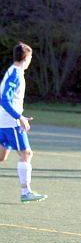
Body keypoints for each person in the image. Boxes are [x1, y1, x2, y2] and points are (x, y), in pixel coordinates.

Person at [0, 42, 46, 202]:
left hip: (4, 120)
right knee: (26, 154)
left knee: (1, 157)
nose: (31, 60)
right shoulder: (16, 74)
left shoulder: (13, 71)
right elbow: (4, 100)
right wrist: (19, 117)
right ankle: (26, 192)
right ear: (26, 57)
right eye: (31, 57)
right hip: (10, 122)